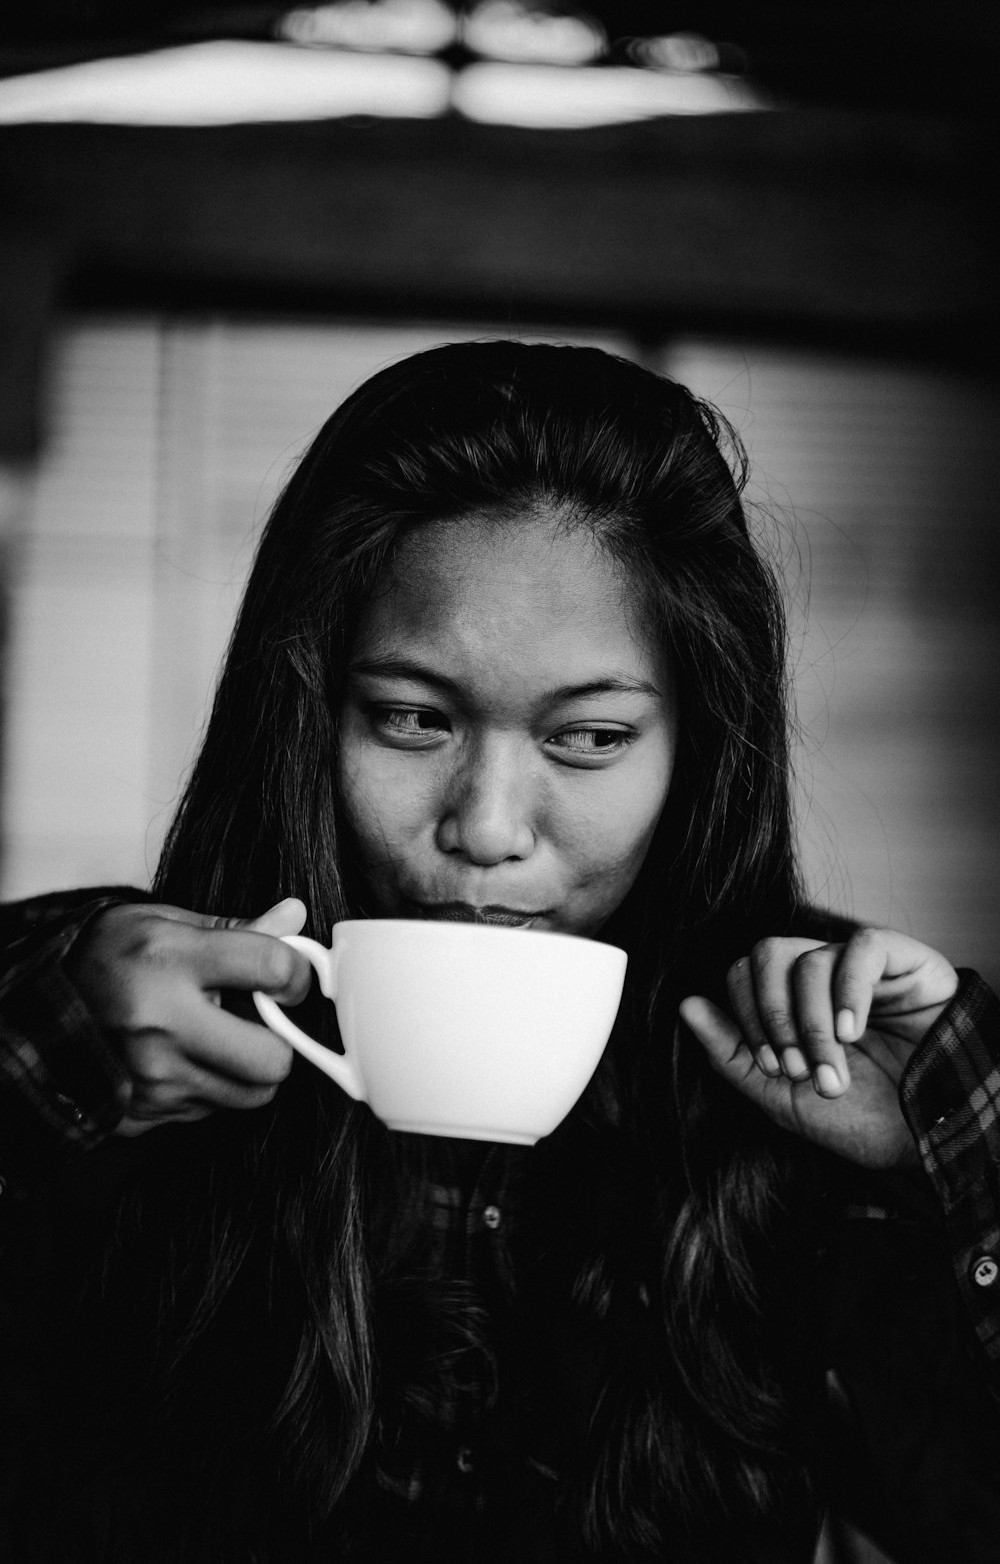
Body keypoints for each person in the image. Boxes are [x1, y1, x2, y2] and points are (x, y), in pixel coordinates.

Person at [0, 340, 998, 1564]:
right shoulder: (121, 1008)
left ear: (698, 752)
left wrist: (949, 1146)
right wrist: (45, 1070)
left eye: (586, 738)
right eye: (412, 718)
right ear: (306, 715)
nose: (483, 827)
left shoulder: (823, 1056)